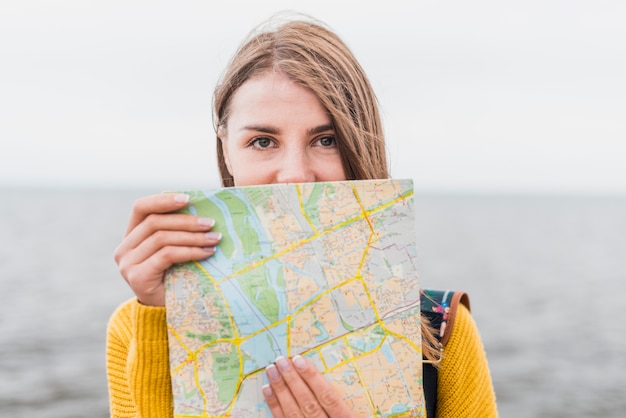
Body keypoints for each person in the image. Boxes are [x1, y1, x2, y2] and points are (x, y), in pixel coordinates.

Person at [106, 13, 497, 417]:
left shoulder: (440, 328)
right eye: (262, 141)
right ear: (226, 149)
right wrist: (158, 317)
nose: (294, 173)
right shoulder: (137, 323)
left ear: (359, 146)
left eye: (326, 139)